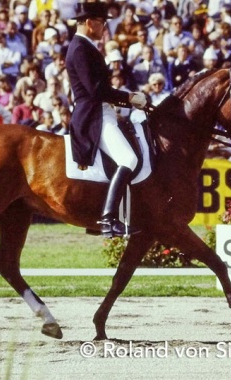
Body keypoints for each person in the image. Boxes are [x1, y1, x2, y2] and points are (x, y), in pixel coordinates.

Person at [66, 1, 148, 237]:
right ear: (90, 22)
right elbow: (95, 90)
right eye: (102, 22)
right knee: (129, 159)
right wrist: (130, 97)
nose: (104, 27)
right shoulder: (81, 48)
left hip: (101, 111)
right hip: (94, 115)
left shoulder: (86, 46)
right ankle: (107, 219)